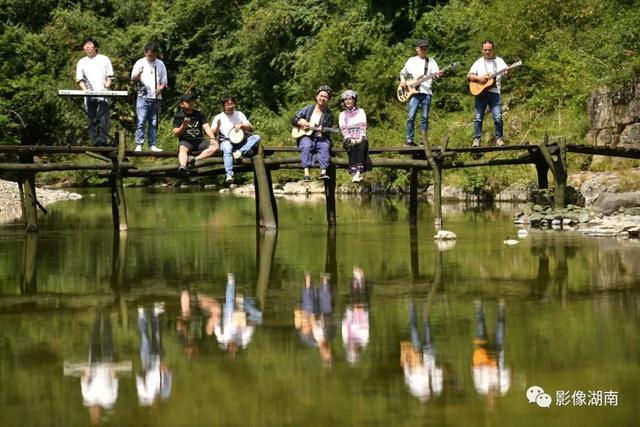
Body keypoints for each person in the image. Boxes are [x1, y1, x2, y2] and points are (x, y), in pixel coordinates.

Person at [399, 39, 443, 147]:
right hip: (413, 92)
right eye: (422, 48)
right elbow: (402, 73)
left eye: (426, 48)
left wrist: (439, 74)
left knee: (424, 117)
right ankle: (409, 140)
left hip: (426, 92)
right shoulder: (411, 60)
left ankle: (423, 141)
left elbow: (436, 75)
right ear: (417, 49)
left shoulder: (431, 61)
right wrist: (403, 80)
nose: (424, 50)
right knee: (411, 116)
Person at [468, 39, 510, 147]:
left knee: (497, 117)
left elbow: (506, 74)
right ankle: (476, 140)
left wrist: (508, 71)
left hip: (494, 93)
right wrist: (479, 78)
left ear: (493, 50)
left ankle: (499, 139)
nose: (487, 52)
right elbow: (470, 76)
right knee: (478, 117)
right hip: (480, 93)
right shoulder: (478, 62)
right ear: (482, 50)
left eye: (489, 50)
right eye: (485, 50)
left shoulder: (499, 61)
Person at [211, 96, 261, 183]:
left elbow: (250, 128)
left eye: (232, 104)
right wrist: (218, 127)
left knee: (256, 137)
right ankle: (229, 174)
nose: (230, 106)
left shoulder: (239, 114)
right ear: (224, 106)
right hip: (226, 141)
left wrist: (241, 126)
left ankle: (240, 152)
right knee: (227, 148)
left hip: (240, 141)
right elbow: (212, 134)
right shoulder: (218, 117)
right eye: (228, 104)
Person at [75, 37, 114, 146]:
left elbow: (110, 77)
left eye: (89, 44)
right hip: (89, 94)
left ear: (95, 47)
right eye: (85, 45)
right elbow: (79, 79)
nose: (87, 46)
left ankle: (104, 140)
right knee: (90, 117)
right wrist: (86, 90)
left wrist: (106, 87)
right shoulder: (81, 62)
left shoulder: (104, 59)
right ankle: (95, 140)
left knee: (103, 118)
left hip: (103, 93)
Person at [291, 85, 335, 182]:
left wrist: (322, 130)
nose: (322, 98)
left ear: (328, 100)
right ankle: (306, 173)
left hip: (320, 137)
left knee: (324, 146)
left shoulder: (329, 114)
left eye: (325, 97)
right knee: (306, 145)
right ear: (316, 96)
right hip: (305, 136)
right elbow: (293, 119)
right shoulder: (308, 109)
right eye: (321, 96)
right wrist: (302, 123)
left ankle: (323, 172)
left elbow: (330, 129)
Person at [131, 42, 168, 152]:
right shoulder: (140, 62)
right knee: (141, 120)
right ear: (145, 52)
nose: (151, 57)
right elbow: (133, 78)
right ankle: (139, 144)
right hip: (142, 96)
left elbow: (164, 81)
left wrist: (161, 88)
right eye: (149, 54)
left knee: (153, 122)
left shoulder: (160, 63)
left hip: (156, 97)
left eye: (153, 55)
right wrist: (139, 73)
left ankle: (152, 144)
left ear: (156, 53)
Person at [472, 299, 510, 402]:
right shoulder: (503, 386)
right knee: (500, 328)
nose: (492, 394)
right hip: (497, 353)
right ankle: (501, 308)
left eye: (490, 397)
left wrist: (485, 366)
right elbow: (507, 370)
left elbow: (474, 369)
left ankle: (479, 306)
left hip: (483, 354)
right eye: (493, 396)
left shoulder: (480, 387)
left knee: (481, 329)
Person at [172, 93, 219, 176]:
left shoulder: (199, 114)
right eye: (188, 101)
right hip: (186, 141)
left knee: (216, 146)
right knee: (182, 148)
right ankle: (183, 167)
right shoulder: (178, 116)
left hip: (199, 141)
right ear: (181, 104)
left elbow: (207, 127)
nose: (191, 103)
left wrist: (212, 138)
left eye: (192, 101)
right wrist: (183, 126)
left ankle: (195, 159)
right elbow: (176, 133)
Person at [136, 302, 172, 406]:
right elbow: (169, 373)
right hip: (158, 358)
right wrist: (164, 368)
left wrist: (144, 375)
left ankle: (142, 313)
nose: (155, 405)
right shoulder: (165, 392)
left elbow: (138, 376)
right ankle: (155, 312)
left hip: (146, 361)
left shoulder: (144, 395)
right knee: (157, 333)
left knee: (144, 337)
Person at [338, 90, 372, 183]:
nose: (348, 101)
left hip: (360, 135)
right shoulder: (342, 114)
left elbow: (363, 125)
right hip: (349, 137)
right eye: (346, 99)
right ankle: (355, 174)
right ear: (344, 102)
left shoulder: (361, 111)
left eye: (350, 99)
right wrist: (350, 138)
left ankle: (357, 173)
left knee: (362, 145)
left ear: (354, 100)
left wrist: (361, 137)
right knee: (351, 145)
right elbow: (343, 128)